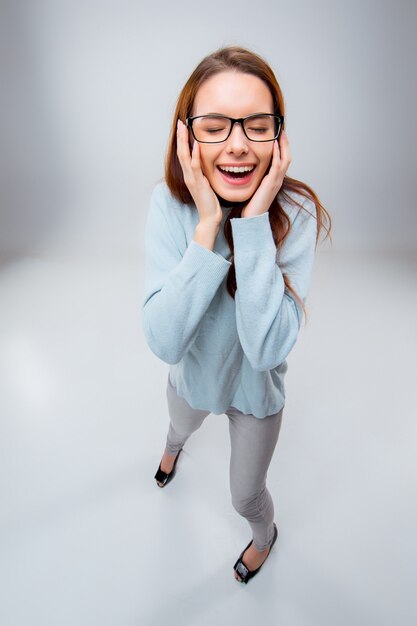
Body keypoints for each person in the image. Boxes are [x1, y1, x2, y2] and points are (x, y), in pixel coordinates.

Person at [141, 45, 331, 584]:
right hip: (194, 377)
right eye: (216, 125)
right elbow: (165, 342)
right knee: (179, 427)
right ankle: (172, 449)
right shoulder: (168, 206)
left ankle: (265, 538)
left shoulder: (293, 213)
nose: (239, 145)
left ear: (279, 134)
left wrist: (250, 225)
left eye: (257, 125)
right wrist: (206, 228)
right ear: (186, 135)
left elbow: (267, 348)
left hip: (255, 395)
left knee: (246, 495)